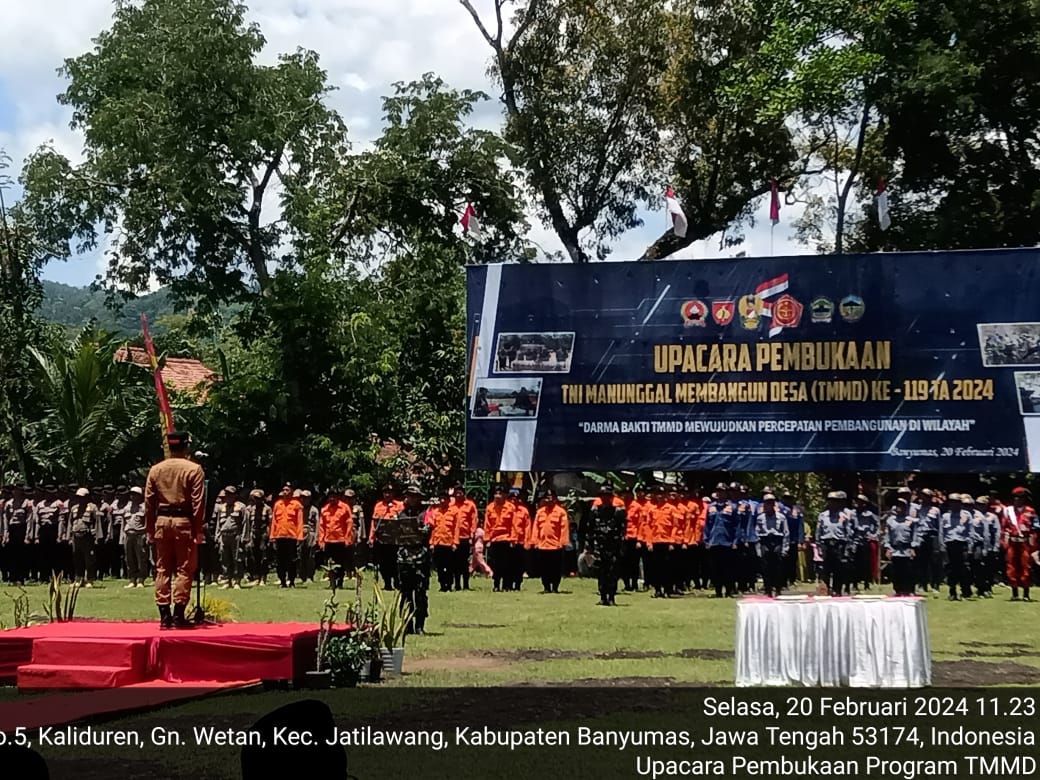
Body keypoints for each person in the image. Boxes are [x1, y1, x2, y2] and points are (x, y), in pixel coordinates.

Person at [144, 431, 206, 629]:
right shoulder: (194, 469)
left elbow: (148, 502)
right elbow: (198, 503)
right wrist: (199, 529)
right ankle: (179, 615)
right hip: (184, 522)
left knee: (162, 569)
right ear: (186, 446)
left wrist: (150, 528)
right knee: (184, 569)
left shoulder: (155, 470)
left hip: (161, 521)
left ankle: (164, 617)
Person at [395, 484, 433, 634]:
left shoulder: (426, 514)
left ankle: (419, 625)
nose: (410, 498)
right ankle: (407, 624)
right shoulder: (400, 515)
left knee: (420, 593)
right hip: (404, 558)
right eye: (408, 495)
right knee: (405, 593)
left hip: (420, 557)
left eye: (414, 496)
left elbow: (427, 530)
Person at [584, 483, 627, 605]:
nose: (605, 498)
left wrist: (622, 546)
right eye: (603, 496)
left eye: (607, 496)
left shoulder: (618, 512)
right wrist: (589, 546)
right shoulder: (595, 512)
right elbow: (590, 530)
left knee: (613, 572)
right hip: (600, 546)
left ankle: (612, 597)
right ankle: (603, 596)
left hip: (613, 546)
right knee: (601, 572)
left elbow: (623, 530)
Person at [531, 487, 569, 593]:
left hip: (555, 546)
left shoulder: (561, 512)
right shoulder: (540, 512)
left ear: (555, 499)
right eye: (547, 498)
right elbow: (536, 527)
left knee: (556, 568)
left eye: (551, 497)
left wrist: (563, 542)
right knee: (544, 568)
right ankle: (546, 587)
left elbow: (564, 528)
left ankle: (555, 587)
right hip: (543, 545)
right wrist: (535, 541)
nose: (549, 500)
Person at [1002, 486, 1036, 601]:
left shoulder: (1031, 511)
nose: (1017, 500)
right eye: (1016, 497)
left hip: (1025, 543)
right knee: (1011, 568)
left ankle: (1026, 594)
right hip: (1012, 542)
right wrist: (1004, 544)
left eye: (1020, 497)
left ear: (1024, 499)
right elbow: (1004, 527)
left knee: (1026, 567)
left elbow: (1035, 528)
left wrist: (1034, 546)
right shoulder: (1008, 511)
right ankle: (1015, 593)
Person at [318, 487, 354, 589]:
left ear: (338, 497)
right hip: (328, 540)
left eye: (334, 496)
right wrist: (321, 540)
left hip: (341, 540)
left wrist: (348, 538)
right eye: (330, 496)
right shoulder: (324, 509)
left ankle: (340, 582)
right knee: (330, 563)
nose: (332, 498)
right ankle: (332, 582)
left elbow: (349, 524)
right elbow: (322, 526)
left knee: (340, 563)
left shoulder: (345, 508)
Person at [816, 491, 850, 595]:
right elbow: (818, 531)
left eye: (835, 501)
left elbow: (848, 532)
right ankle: (826, 589)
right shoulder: (822, 516)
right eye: (831, 501)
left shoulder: (843, 516)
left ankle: (837, 589)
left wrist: (847, 547)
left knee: (838, 569)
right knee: (826, 568)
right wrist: (818, 546)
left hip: (839, 544)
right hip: (826, 544)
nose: (833, 504)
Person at [369, 484, 403, 590]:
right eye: (385, 492)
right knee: (383, 563)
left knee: (395, 562)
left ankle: (397, 583)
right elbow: (374, 523)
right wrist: (371, 537)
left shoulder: (399, 505)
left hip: (395, 540)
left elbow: (403, 521)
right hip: (382, 540)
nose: (387, 494)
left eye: (389, 492)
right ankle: (387, 583)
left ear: (393, 493)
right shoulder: (378, 505)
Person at [270, 485, 304, 588]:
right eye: (283, 490)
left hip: (292, 537)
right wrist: (272, 536)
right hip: (280, 536)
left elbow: (300, 521)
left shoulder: (297, 505)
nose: (285, 492)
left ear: (292, 492)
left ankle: (292, 581)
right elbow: (274, 522)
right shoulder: (277, 504)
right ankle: (282, 581)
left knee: (292, 560)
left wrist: (300, 537)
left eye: (287, 490)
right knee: (280, 561)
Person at [755, 494, 789, 597]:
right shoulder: (760, 518)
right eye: (767, 503)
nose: (769, 505)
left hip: (777, 541)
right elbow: (757, 534)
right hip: (765, 542)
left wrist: (785, 548)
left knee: (778, 567)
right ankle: (768, 589)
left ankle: (778, 589)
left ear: (774, 504)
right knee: (766, 568)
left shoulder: (781, 517)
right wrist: (758, 549)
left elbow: (786, 533)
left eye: (771, 502)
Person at [941, 494, 973, 600]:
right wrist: (942, 545)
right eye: (952, 502)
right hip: (949, 544)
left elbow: (970, 531)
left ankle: (965, 591)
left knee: (964, 569)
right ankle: (952, 591)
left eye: (956, 502)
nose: (954, 504)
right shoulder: (945, 516)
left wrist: (970, 546)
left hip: (962, 544)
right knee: (951, 569)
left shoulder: (966, 515)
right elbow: (942, 532)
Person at [484, 485, 515, 592]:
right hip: (494, 539)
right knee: (495, 564)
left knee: (506, 564)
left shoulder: (510, 507)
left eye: (500, 494)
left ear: (505, 495)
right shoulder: (490, 508)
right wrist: (487, 539)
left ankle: (506, 585)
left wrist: (513, 539)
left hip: (506, 539)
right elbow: (487, 525)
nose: (498, 496)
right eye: (496, 493)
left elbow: (513, 525)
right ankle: (496, 584)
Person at [884, 498, 918, 595]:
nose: (899, 508)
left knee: (908, 571)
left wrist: (913, 547)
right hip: (895, 549)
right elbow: (887, 535)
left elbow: (914, 535)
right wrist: (887, 547)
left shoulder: (910, 521)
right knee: (896, 571)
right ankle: (898, 590)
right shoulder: (890, 521)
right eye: (897, 506)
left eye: (901, 506)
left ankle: (909, 589)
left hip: (906, 549)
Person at [67, 488, 100, 588]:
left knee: (89, 559)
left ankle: (90, 579)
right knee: (77, 559)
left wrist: (97, 537)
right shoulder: (74, 508)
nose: (80, 499)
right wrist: (69, 537)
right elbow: (70, 523)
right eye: (78, 497)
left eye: (81, 497)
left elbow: (97, 523)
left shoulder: (93, 508)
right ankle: (79, 578)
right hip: (76, 537)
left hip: (88, 537)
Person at [1, 485, 34, 586]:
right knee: (11, 556)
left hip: (22, 529)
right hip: (12, 530)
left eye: (18, 490)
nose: (16, 492)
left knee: (21, 556)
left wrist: (28, 535)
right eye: (15, 490)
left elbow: (29, 520)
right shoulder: (8, 504)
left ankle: (20, 578)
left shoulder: (26, 503)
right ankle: (12, 578)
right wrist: (5, 534)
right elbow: (5, 519)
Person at [214, 486, 246, 589]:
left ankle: (237, 580)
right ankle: (227, 580)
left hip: (236, 535)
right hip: (224, 536)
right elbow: (218, 523)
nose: (228, 496)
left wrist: (244, 537)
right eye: (226, 494)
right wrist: (217, 535)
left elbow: (245, 523)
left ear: (235, 495)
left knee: (237, 558)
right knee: (225, 559)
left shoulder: (241, 507)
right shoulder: (221, 507)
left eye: (230, 494)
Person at [428, 489, 460, 592]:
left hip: (449, 543)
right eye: (440, 499)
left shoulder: (454, 512)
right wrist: (432, 543)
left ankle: (449, 585)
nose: (442, 501)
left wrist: (455, 542)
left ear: (448, 500)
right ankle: (442, 584)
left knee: (450, 566)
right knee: (440, 566)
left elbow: (456, 528)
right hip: (438, 542)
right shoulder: (435, 512)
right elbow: (433, 528)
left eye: (444, 499)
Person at [451, 484, 478, 590]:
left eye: (460, 492)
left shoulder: (470, 505)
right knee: (455, 563)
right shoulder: (451, 506)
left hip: (465, 537)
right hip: (454, 539)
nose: (458, 494)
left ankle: (466, 584)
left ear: (463, 493)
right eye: (456, 492)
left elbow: (474, 520)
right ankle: (457, 584)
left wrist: (472, 535)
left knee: (464, 562)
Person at [243, 489, 272, 586]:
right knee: (253, 556)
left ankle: (263, 578)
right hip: (253, 534)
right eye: (255, 498)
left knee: (263, 556)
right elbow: (248, 524)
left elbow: (270, 523)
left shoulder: (267, 509)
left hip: (263, 534)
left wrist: (270, 536)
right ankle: (255, 577)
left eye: (258, 498)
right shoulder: (250, 509)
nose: (256, 500)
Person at [122, 486, 149, 588]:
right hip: (128, 535)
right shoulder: (127, 507)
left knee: (141, 558)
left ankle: (141, 579)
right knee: (129, 558)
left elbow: (148, 522)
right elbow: (124, 523)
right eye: (131, 494)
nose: (133, 496)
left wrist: (146, 534)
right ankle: (132, 579)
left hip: (139, 535)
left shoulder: (144, 507)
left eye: (135, 494)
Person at [298, 490, 319, 583]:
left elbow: (318, 523)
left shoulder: (314, 510)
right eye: (303, 497)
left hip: (311, 533)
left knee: (310, 556)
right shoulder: (298, 508)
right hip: (300, 533)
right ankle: (301, 576)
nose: (304, 500)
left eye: (306, 498)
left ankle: (310, 576)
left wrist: (317, 536)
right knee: (300, 555)